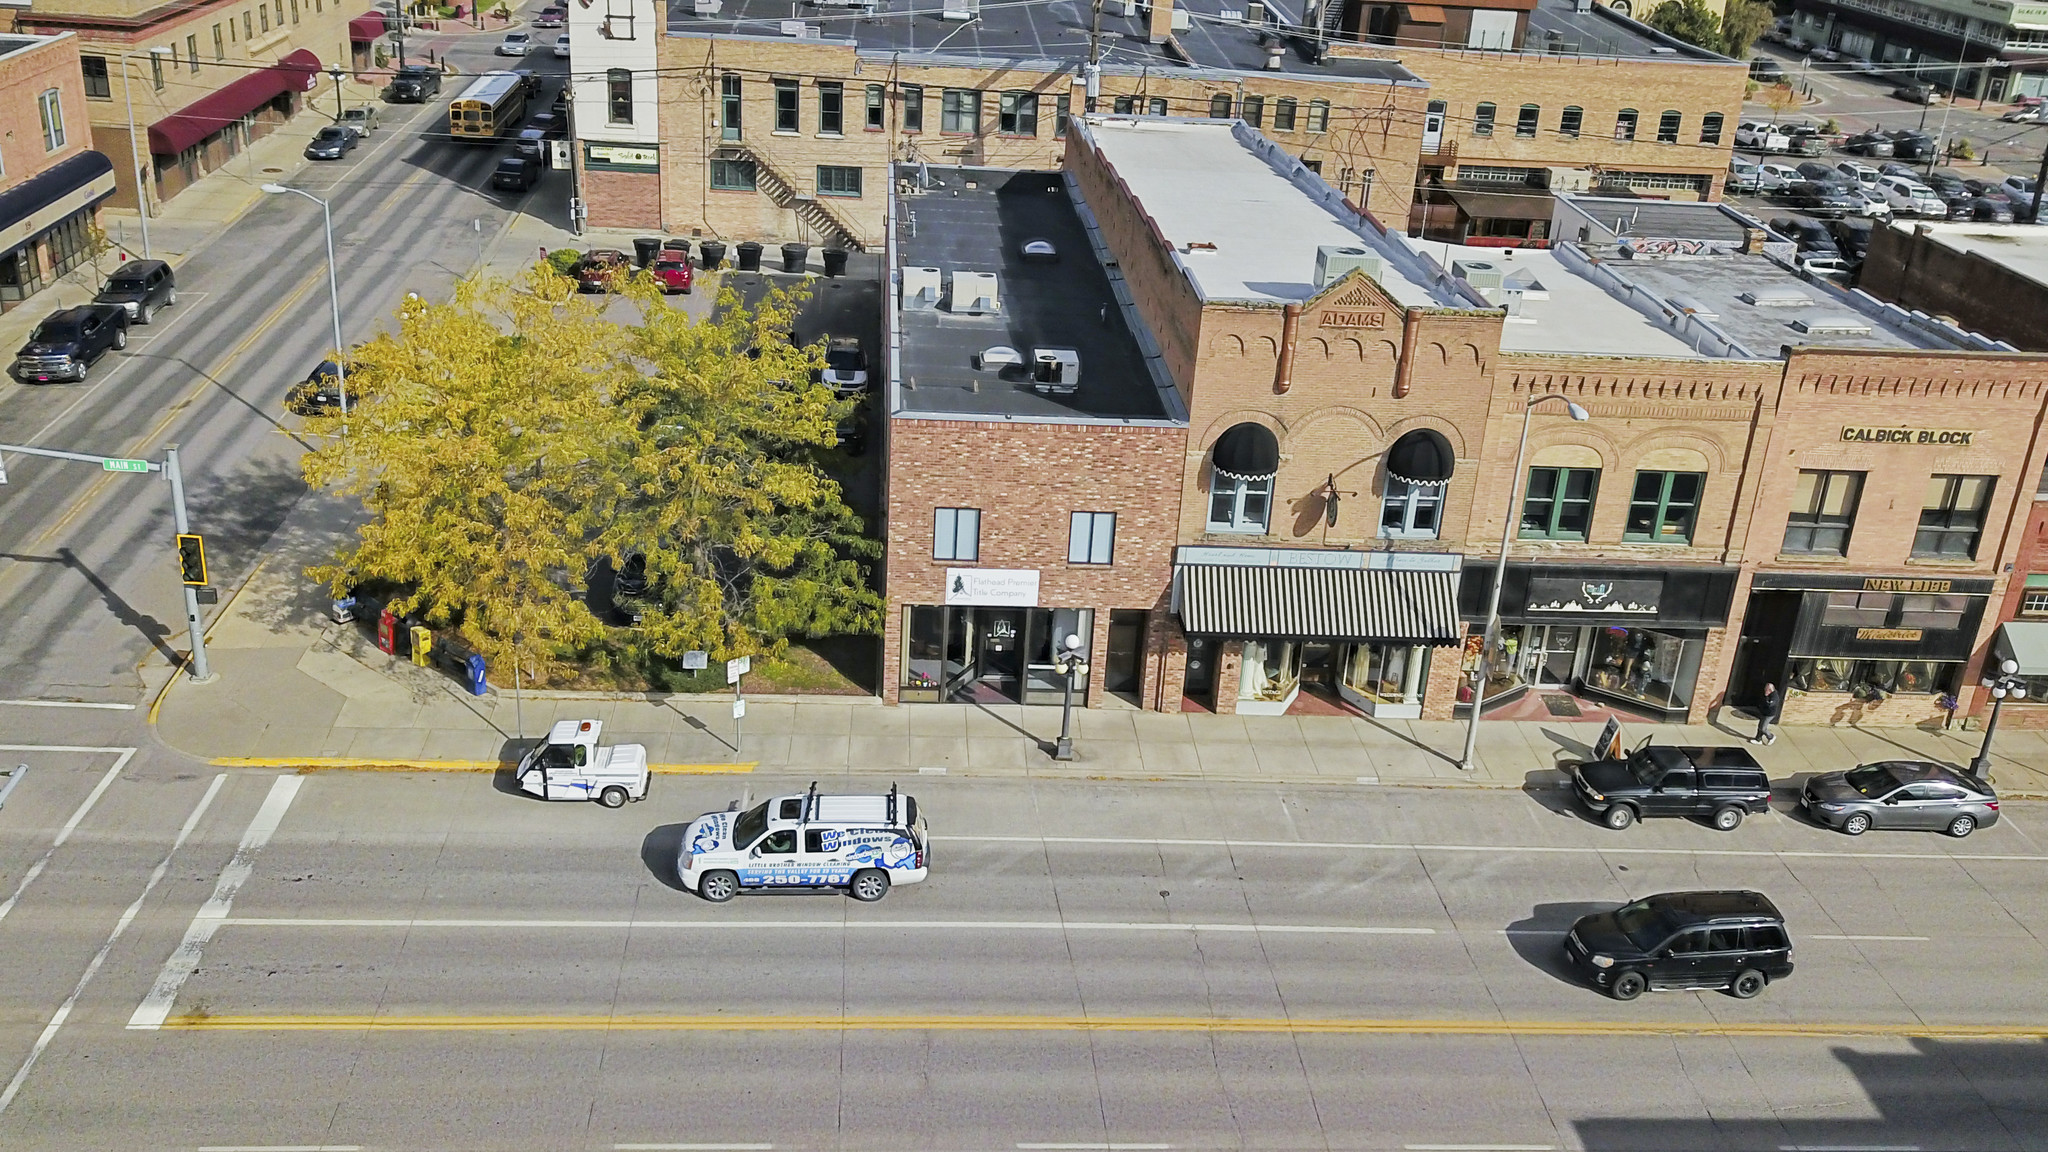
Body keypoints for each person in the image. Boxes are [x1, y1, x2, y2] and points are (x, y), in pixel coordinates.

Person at [1751, 681, 1783, 746]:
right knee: (1760, 726)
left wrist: (1766, 697)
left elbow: (1769, 705)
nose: (1765, 690)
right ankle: (1758, 739)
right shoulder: (1768, 694)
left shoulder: (1774, 697)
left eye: (1766, 689)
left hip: (1769, 714)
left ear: (1770, 690)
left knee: (1763, 728)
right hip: (1764, 712)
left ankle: (1771, 737)